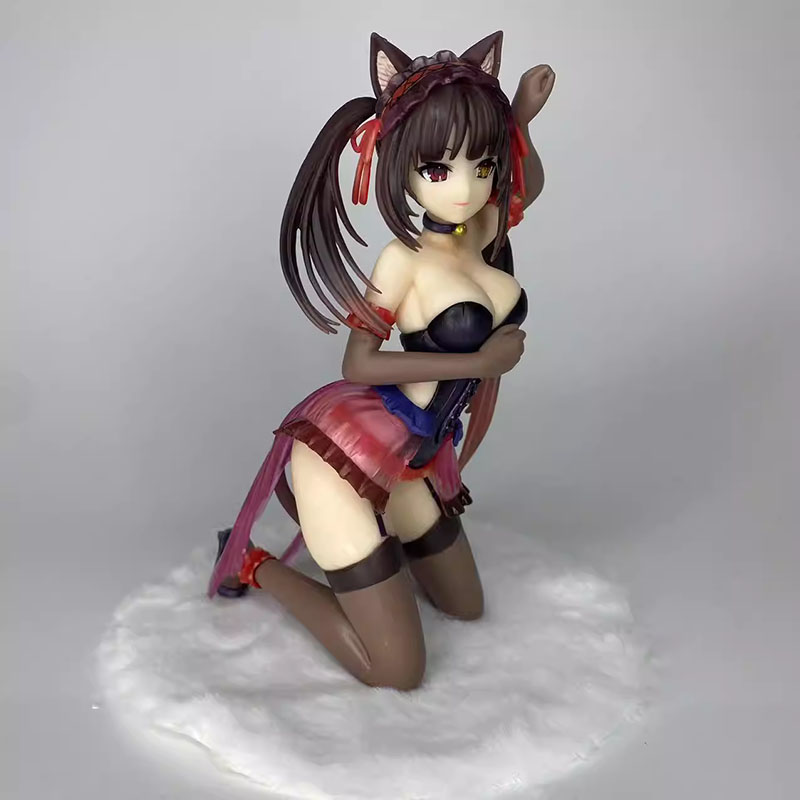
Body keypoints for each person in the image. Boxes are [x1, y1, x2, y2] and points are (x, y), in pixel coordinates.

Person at [209, 31, 555, 690]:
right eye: (439, 170)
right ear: (400, 165)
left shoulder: (478, 232)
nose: (466, 188)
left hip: (413, 459)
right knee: (396, 670)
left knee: (466, 607)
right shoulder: (402, 262)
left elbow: (525, 187)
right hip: (347, 458)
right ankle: (250, 561)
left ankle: (378, 560)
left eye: (482, 166)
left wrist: (519, 119)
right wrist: (480, 360)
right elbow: (358, 364)